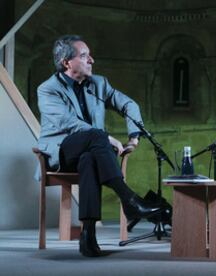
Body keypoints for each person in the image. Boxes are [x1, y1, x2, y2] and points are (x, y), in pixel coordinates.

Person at [35, 35, 163, 257]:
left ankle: (88, 240)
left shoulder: (99, 83)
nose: (91, 60)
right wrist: (105, 137)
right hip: (61, 152)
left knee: (89, 160)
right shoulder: (47, 89)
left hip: (90, 152)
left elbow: (129, 104)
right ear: (67, 62)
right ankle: (128, 199)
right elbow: (69, 123)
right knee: (95, 138)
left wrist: (134, 137)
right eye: (84, 56)